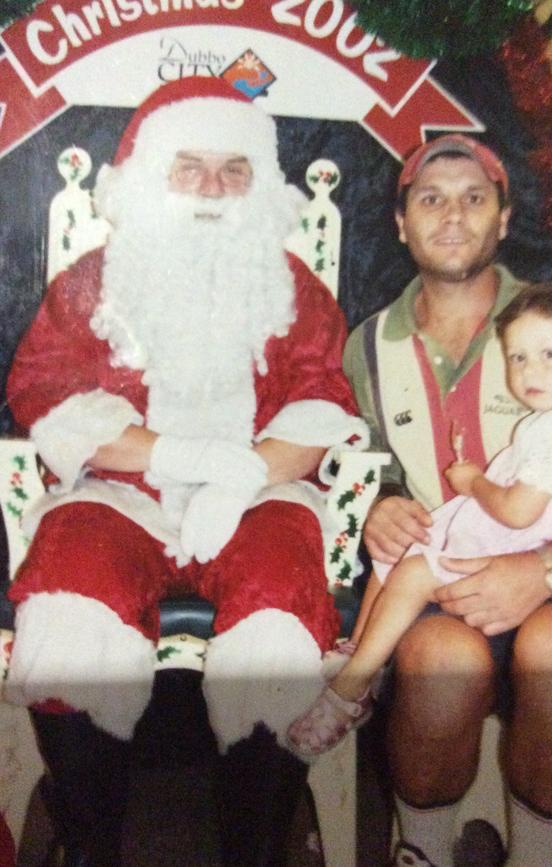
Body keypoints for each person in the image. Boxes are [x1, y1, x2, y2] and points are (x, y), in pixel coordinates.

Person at [5, 76, 367, 866]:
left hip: (262, 492)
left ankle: (252, 843)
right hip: (123, 492)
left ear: (260, 186)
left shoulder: (291, 287)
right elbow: (46, 392)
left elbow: (319, 404)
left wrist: (241, 478)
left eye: (235, 169)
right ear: (148, 177)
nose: (214, 188)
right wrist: (182, 457)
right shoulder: (95, 282)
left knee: (278, 612)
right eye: (190, 166)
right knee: (68, 600)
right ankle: (91, 841)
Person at [340, 134, 552, 867]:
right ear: (401, 221)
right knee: (438, 661)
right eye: (432, 198)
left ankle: (543, 854)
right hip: (447, 573)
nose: (453, 215)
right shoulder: (368, 345)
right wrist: (380, 500)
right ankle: (422, 848)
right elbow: (361, 463)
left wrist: (546, 567)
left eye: (475, 197)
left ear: (505, 219)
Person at [287, 282, 552, 757]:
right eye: (517, 358)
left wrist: (472, 481)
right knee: (401, 549)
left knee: (414, 569)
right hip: (521, 529)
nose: (529, 371)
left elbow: (518, 511)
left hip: (523, 539)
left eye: (548, 355)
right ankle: (364, 654)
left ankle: (349, 692)